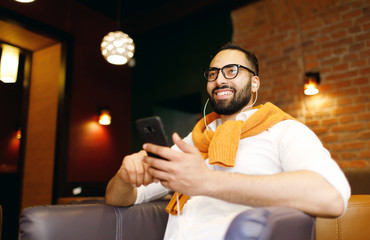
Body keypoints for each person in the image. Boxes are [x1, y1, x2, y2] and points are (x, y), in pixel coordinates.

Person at [105, 42, 351, 239]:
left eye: (232, 70)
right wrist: (125, 177)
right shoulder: (194, 140)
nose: (220, 79)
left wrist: (207, 181)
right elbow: (119, 198)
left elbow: (331, 196)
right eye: (213, 73)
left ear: (255, 82)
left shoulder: (283, 130)